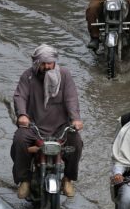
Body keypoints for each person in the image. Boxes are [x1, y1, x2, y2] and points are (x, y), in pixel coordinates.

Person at [10, 44, 84, 199]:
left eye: (50, 63)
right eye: (43, 63)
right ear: (37, 63)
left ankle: (68, 179)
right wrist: (22, 115)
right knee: (19, 140)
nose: (47, 67)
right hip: (33, 126)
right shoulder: (28, 76)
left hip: (60, 127)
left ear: (54, 62)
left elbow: (71, 98)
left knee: (76, 142)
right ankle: (25, 180)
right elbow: (20, 96)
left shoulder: (64, 75)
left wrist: (75, 119)